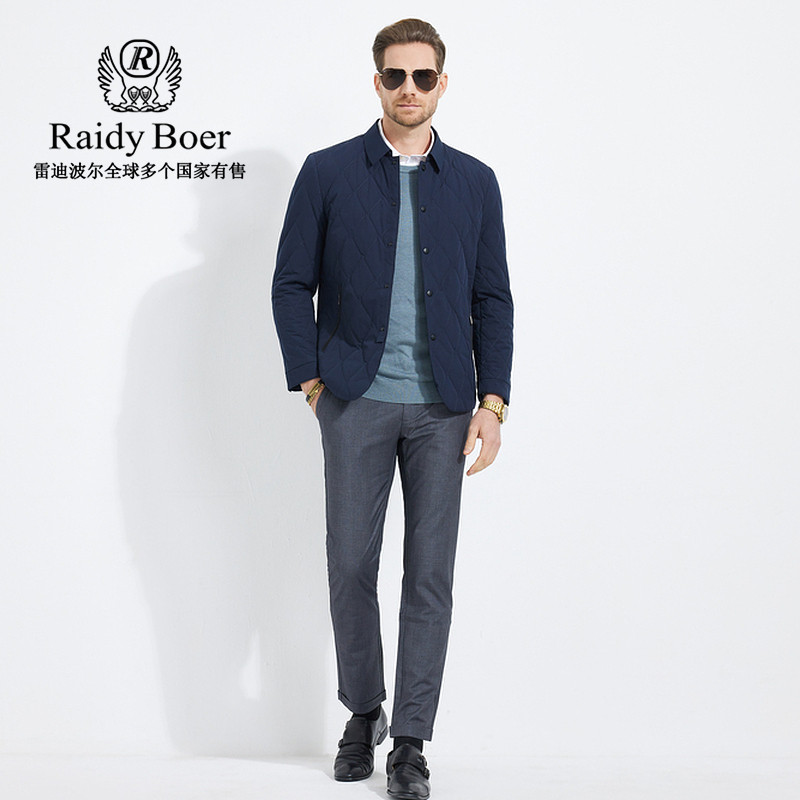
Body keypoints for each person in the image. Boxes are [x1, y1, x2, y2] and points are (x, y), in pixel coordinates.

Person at [272, 18, 513, 800]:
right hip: (355, 400)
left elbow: (493, 298)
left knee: (429, 576)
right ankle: (363, 710)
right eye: (395, 76)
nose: (409, 88)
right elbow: (290, 284)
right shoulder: (328, 172)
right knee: (350, 565)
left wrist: (493, 402)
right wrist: (312, 385)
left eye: (423, 76)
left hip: (445, 408)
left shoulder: (475, 182)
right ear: (376, 82)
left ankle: (410, 741)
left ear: (442, 83)